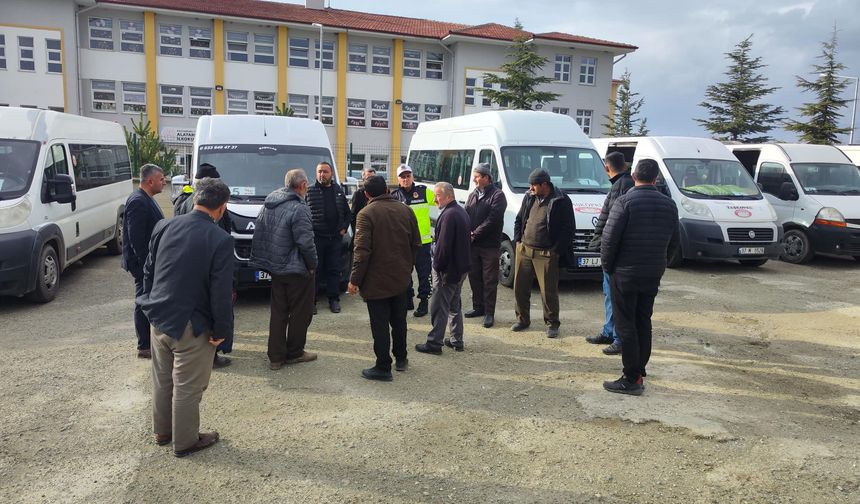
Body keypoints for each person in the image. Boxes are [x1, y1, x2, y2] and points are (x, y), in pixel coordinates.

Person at [138, 177, 233, 457]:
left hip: (159, 317)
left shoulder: (164, 226)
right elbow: (221, 292)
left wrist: (148, 303)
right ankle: (186, 441)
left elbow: (148, 270)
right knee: (188, 386)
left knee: (162, 380)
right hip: (192, 324)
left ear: (195, 199)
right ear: (222, 208)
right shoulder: (220, 239)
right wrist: (221, 329)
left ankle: (163, 432)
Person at [601, 159, 679, 396]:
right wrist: (661, 263)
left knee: (626, 326)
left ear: (634, 176)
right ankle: (639, 370)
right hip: (651, 274)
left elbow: (609, 239)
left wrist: (609, 268)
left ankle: (631, 377)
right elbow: (674, 242)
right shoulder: (669, 205)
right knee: (644, 322)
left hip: (625, 274)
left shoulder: (625, 202)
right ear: (655, 178)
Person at [348, 175, 421, 381]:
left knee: (379, 325)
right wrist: (408, 267)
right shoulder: (406, 210)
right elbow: (416, 243)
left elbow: (361, 252)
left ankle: (383, 366)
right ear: (388, 190)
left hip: (376, 281)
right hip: (401, 278)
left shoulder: (366, 214)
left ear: (366, 194)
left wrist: (354, 280)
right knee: (399, 321)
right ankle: (402, 358)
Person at [251, 169, 319, 371]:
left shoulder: (271, 201)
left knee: (278, 312)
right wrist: (312, 265)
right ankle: (295, 352)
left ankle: (276, 357)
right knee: (300, 312)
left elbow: (262, 232)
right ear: (303, 185)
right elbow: (306, 243)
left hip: (276, 267)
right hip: (296, 269)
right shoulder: (299, 208)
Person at [174, 163, 234, 368]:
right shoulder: (210, 205)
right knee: (208, 311)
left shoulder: (183, 199)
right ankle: (212, 355)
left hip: (184, 273)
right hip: (207, 268)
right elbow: (223, 231)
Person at [511, 169, 574, 339]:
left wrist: (555, 251)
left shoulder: (561, 200)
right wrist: (518, 241)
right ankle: (522, 320)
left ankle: (552, 323)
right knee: (520, 288)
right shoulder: (529, 197)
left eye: (533, 185)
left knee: (548, 291)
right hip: (524, 249)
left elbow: (568, 229)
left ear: (544, 184)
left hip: (546, 253)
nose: (530, 188)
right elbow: (519, 219)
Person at [586, 151, 634, 356]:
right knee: (609, 295)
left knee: (615, 297)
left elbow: (614, 223)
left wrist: (604, 247)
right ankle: (609, 331)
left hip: (616, 253)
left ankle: (618, 338)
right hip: (614, 252)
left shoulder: (622, 186)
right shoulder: (621, 184)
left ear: (607, 167)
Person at [415, 182, 471, 354]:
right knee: (454, 303)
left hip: (449, 270)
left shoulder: (449, 215)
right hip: (460, 268)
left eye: (438, 195)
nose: (435, 199)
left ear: (448, 195)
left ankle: (434, 343)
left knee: (440, 305)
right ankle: (456, 339)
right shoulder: (460, 211)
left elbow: (443, 247)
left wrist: (437, 266)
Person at [122, 163, 165, 359]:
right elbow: (136, 238)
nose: (164, 182)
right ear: (150, 181)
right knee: (142, 301)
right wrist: (145, 265)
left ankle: (150, 341)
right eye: (161, 179)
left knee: (149, 298)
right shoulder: (138, 201)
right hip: (142, 264)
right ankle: (144, 345)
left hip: (149, 262)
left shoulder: (147, 198)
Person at [464, 163, 507, 329]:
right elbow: (467, 213)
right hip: (473, 245)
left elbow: (493, 219)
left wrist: (475, 233)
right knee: (474, 276)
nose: (474, 179)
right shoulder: (473, 194)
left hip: (489, 246)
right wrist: (466, 232)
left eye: (477, 176)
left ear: (486, 178)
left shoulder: (498, 195)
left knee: (489, 280)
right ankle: (478, 307)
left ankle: (489, 313)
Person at [305, 162, 350, 314]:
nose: (322, 174)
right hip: (317, 238)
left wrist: (344, 227)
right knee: (315, 270)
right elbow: (303, 215)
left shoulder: (338, 191)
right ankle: (311, 302)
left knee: (334, 270)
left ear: (331, 173)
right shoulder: (309, 192)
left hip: (335, 238)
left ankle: (334, 300)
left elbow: (347, 212)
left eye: (325, 171)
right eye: (319, 172)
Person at [391, 164, 434, 317]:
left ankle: (423, 302)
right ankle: (407, 298)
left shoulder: (424, 192)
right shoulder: (394, 196)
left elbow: (441, 200)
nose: (406, 179)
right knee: (404, 272)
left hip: (422, 243)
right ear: (398, 179)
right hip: (403, 243)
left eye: (408, 176)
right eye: (403, 176)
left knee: (424, 273)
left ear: (412, 177)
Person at [350, 167, 376, 232]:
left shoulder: (379, 193)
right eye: (368, 179)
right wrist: (357, 231)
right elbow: (353, 215)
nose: (371, 181)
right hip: (362, 230)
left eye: (373, 179)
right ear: (363, 179)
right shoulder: (358, 194)